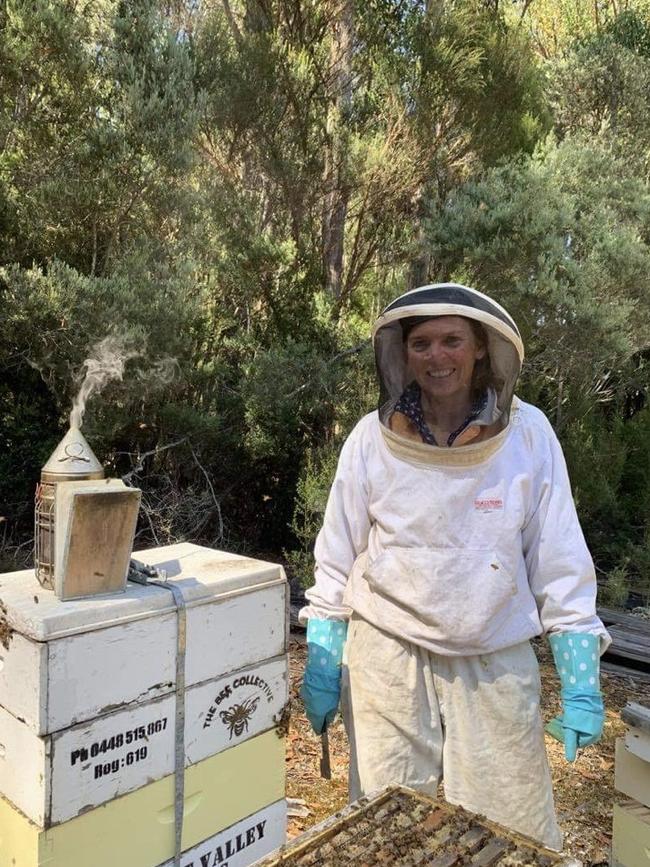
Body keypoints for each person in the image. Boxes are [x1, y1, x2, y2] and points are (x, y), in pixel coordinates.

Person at [299, 283, 610, 851]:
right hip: (387, 650)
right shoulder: (369, 441)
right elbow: (336, 555)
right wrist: (322, 657)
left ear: (481, 349)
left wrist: (580, 679)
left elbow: (559, 557)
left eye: (451, 341)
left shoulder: (530, 435)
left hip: (492, 651)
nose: (436, 357)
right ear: (402, 353)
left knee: (512, 830)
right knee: (385, 824)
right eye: (422, 343)